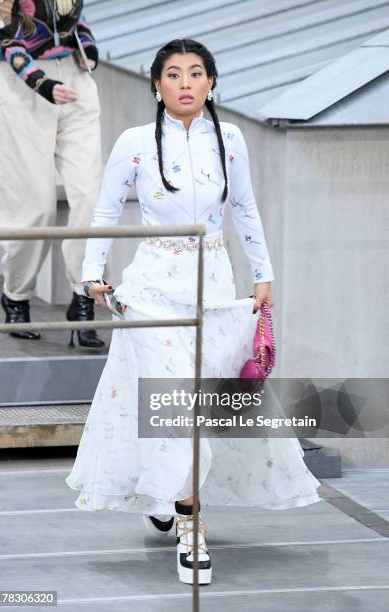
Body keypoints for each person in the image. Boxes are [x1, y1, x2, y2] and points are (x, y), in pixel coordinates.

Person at [65, 39, 321, 585]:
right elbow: (107, 208)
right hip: (152, 290)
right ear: (156, 84)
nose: (186, 83)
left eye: (197, 73)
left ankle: (167, 492)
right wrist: (91, 274)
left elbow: (245, 206)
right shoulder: (135, 143)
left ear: (211, 83)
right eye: (174, 74)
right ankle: (189, 523)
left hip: (217, 288)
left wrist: (263, 273)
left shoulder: (230, 139)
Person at [0, 0, 104, 347]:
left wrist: (89, 51)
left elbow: (77, 19)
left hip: (73, 79)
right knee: (35, 207)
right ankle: (16, 296)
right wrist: (43, 84)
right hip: (24, 83)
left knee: (91, 199)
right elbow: (9, 40)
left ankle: (83, 300)